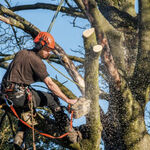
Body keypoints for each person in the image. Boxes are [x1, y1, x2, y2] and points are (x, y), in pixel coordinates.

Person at [1, 32, 78, 149]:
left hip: (5, 95)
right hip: (18, 95)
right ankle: (69, 132)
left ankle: (18, 141)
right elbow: (50, 84)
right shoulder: (37, 62)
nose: (49, 53)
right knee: (52, 98)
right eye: (47, 49)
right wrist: (67, 100)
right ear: (40, 46)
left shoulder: (21, 53)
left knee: (26, 112)